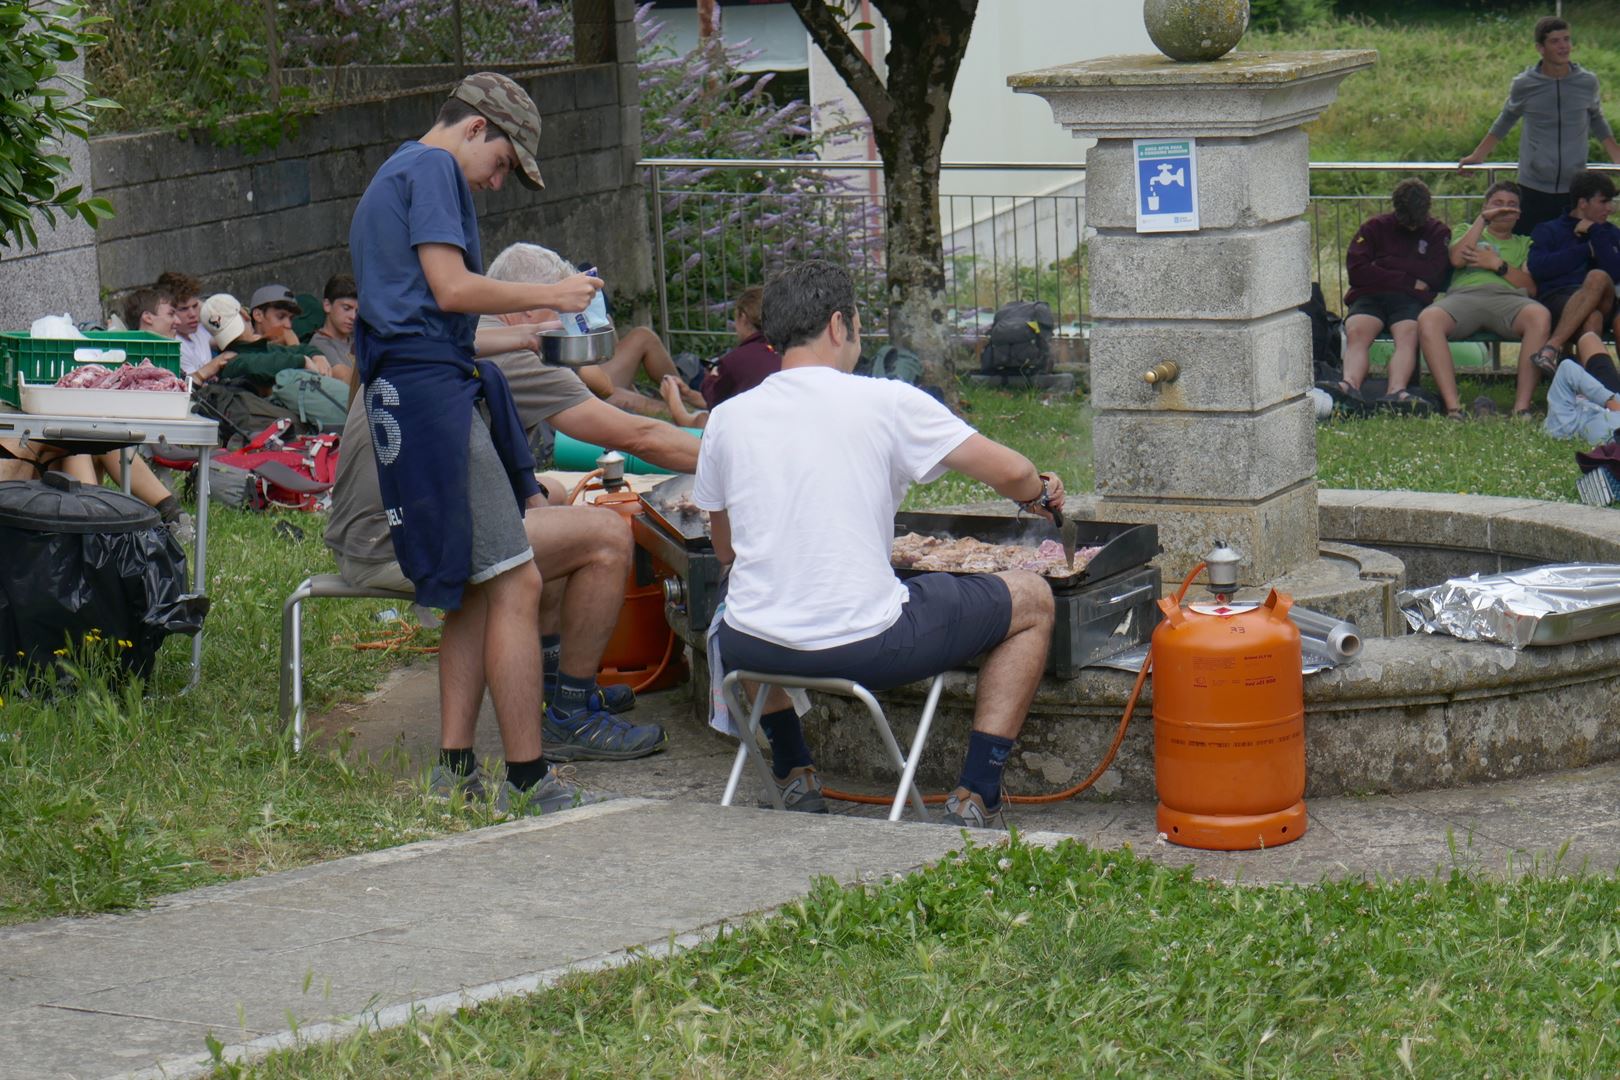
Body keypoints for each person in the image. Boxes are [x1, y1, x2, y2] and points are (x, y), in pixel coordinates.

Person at [694, 260, 1063, 829]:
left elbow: (725, 550)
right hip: (869, 647)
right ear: (840, 326)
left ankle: (795, 774)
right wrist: (1040, 494)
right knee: (1033, 598)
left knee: (735, 596)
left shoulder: (728, 417)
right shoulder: (887, 400)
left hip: (752, 649)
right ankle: (976, 793)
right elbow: (1011, 471)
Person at [326, 240, 701, 767]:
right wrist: (735, 452)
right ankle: (570, 713)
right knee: (606, 537)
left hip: (363, 527)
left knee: (554, 498)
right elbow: (639, 436)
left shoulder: (451, 335)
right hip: (402, 540)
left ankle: (551, 683)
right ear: (525, 310)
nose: (569, 324)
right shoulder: (513, 353)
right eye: (562, 309)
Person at [347, 70, 605, 815]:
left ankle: (454, 768)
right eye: (501, 164)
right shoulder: (431, 168)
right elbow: (454, 287)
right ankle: (528, 778)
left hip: (408, 387)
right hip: (433, 401)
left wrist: (521, 334)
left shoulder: (392, 174)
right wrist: (552, 295)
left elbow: (428, 316)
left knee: (469, 585)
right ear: (474, 128)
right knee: (518, 581)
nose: (496, 184)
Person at [1459, 16, 1620, 236]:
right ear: (1540, 48)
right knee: (1530, 248)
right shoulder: (1524, 84)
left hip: (1573, 188)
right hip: (1533, 186)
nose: (1563, 46)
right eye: (1555, 41)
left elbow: (1597, 119)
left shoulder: (1587, 82)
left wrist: (1617, 157)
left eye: (1566, 39)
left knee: (1571, 250)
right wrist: (1477, 156)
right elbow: (1505, 120)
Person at [1404, 182, 1550, 419]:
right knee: (1429, 319)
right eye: (1497, 203)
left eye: (1512, 205)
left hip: (1509, 299)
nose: (1504, 209)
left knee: (1540, 316)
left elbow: (1530, 287)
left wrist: (1497, 265)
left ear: (1519, 213)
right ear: (1485, 207)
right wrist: (1483, 220)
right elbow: (1457, 259)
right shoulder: (1466, 230)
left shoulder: (1524, 243)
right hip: (1464, 297)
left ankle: (1521, 408)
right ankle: (1454, 408)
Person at [1337, 179, 1451, 412]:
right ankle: (1350, 386)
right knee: (1357, 332)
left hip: (1409, 301)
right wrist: (1407, 277)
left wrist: (1383, 264)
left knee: (1408, 335)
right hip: (1370, 295)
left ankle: (1396, 391)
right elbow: (1357, 272)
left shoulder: (1438, 232)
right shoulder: (1373, 227)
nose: (1410, 226)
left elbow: (1436, 276)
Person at [1526, 170, 1620, 376]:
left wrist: (1595, 233)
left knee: (1597, 277)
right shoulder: (1548, 230)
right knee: (1592, 318)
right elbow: (1539, 268)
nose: (1610, 208)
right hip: (1559, 299)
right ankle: (1588, 389)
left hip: (1606, 299)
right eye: (1603, 202)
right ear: (1583, 202)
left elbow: (1614, 273)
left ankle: (1551, 348)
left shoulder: (1610, 233)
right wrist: (1585, 250)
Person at [659, 285, 779, 428]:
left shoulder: (737, 360)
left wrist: (673, 400)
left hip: (751, 432)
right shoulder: (789, 351)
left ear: (743, 317)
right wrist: (690, 395)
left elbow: (717, 405)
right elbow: (731, 398)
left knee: (703, 420)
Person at [198, 292, 332, 390]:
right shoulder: (231, 361)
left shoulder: (260, 347)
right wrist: (302, 360)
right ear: (246, 315)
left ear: (245, 314)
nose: (287, 325)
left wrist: (316, 354)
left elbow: (297, 349)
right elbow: (252, 364)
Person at [310, 273, 359, 382]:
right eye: (346, 308)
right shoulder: (319, 343)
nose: (353, 317)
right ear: (327, 305)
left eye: (357, 311)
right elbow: (346, 379)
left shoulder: (357, 339)